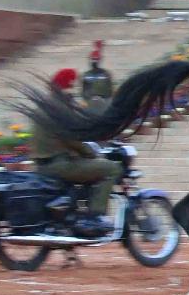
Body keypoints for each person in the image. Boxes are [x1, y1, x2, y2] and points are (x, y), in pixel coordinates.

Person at [30, 69, 121, 236]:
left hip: (43, 165)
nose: (74, 91)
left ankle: (77, 213)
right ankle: (95, 217)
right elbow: (71, 139)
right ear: (66, 86)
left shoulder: (45, 106)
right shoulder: (59, 108)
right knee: (111, 169)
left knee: (90, 169)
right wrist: (91, 153)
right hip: (59, 165)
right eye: (71, 86)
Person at [80, 40, 114, 112]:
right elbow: (110, 92)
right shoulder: (106, 74)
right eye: (93, 60)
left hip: (97, 101)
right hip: (98, 101)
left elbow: (84, 92)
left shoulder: (86, 75)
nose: (94, 62)